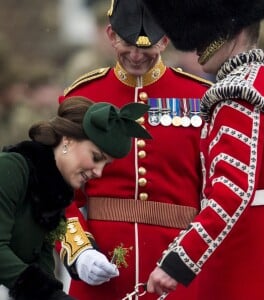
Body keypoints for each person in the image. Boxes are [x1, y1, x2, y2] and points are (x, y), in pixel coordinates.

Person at [141, 0, 264, 299]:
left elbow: (231, 191)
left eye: (205, 32)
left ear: (233, 28)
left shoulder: (235, 94)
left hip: (248, 255)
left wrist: (179, 261)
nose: (195, 47)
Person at [56, 0, 212, 299]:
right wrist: (78, 250)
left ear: (165, 40)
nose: (137, 55)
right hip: (102, 272)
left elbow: (216, 194)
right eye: (128, 43)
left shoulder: (201, 98)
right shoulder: (82, 97)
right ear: (111, 35)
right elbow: (58, 192)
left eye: (148, 45)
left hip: (178, 273)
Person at [0, 96, 151, 300]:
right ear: (68, 140)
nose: (98, 172)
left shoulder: (51, 192)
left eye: (105, 165)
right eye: (96, 157)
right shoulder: (11, 169)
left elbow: (41, 264)